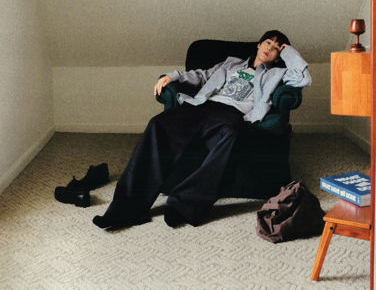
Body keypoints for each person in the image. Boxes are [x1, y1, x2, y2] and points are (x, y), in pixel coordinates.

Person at [93, 30, 311, 229]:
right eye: (268, 42)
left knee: (233, 135)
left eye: (276, 48)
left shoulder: (277, 74)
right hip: (202, 107)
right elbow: (201, 76)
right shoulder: (231, 64)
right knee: (158, 123)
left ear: (279, 56)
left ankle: (183, 205)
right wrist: (173, 76)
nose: (270, 48)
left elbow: (303, 77)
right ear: (259, 44)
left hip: (233, 115)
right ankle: (126, 209)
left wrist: (288, 52)